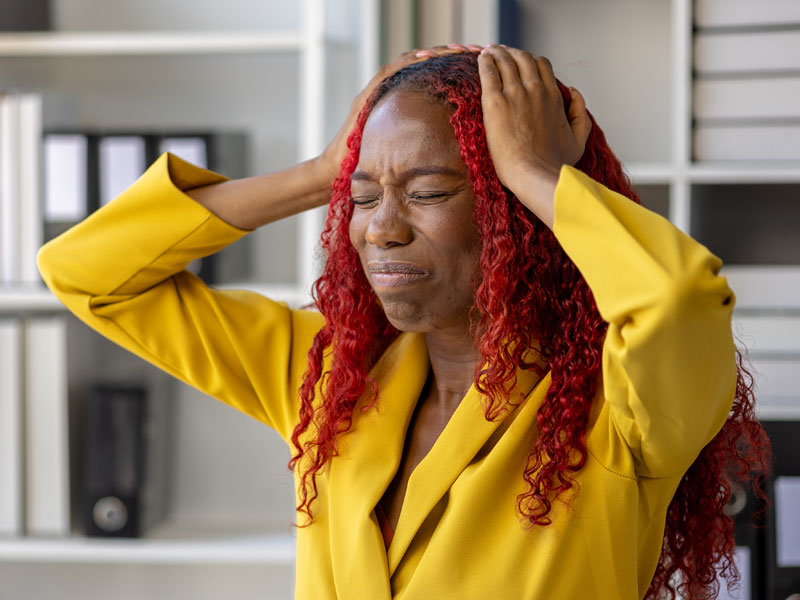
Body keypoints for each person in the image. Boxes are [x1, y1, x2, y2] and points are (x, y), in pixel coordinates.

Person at [38, 45, 770, 599]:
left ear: (513, 215)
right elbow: (89, 273)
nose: (379, 230)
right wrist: (323, 170)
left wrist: (535, 172)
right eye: (361, 198)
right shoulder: (328, 375)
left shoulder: (618, 409)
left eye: (428, 191)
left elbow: (677, 298)